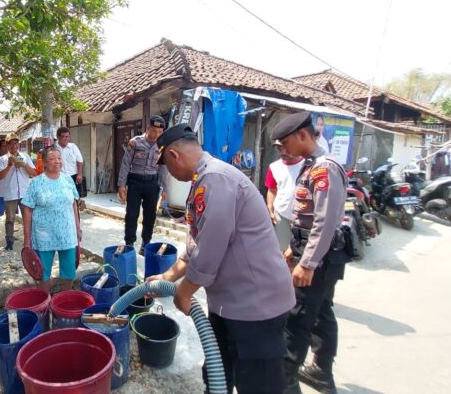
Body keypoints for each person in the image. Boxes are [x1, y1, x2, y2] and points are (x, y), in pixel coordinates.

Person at [147, 124, 295, 394]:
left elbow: (211, 248)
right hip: (230, 302)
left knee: (260, 383)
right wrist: (168, 278)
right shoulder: (203, 181)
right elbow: (196, 245)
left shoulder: (215, 179)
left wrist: (185, 291)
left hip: (255, 304)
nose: (169, 172)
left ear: (174, 156)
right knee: (217, 372)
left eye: (166, 165)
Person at [270, 112, 349, 394]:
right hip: (316, 252)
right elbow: (308, 217)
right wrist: (295, 248)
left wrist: (308, 262)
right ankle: (321, 371)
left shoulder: (323, 168)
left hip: (319, 258)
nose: (283, 149)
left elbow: (325, 221)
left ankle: (286, 378)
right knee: (322, 312)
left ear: (303, 135)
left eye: (286, 142)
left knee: (299, 315)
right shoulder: (311, 165)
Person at [21, 147, 81, 293]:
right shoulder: (36, 182)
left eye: (59, 158)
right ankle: (46, 301)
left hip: (67, 233)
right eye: (52, 158)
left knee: (69, 269)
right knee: (43, 272)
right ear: (44, 162)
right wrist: (27, 238)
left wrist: (77, 227)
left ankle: (66, 296)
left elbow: (74, 203)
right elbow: (27, 209)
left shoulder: (67, 180)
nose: (57, 161)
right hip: (44, 235)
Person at [117, 115, 167, 255]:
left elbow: (163, 167)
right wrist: (121, 185)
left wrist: (164, 189)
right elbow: (126, 164)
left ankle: (146, 243)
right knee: (132, 214)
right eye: (153, 131)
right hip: (135, 182)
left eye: (159, 132)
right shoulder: (135, 143)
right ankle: (129, 243)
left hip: (152, 183)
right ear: (148, 128)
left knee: (150, 215)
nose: (156, 134)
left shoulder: (162, 145)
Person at [0, 133, 36, 251]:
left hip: (25, 193)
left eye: (16, 143)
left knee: (28, 218)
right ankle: (9, 240)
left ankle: (29, 241)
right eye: (11, 143)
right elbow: (0, 177)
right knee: (10, 219)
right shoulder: (1, 160)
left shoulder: (25, 156)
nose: (14, 145)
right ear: (6, 145)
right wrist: (9, 166)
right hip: (10, 193)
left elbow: (33, 173)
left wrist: (24, 165)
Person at [265, 141, 305, 254]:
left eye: (286, 148)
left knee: (300, 252)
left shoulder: (309, 165)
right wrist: (270, 209)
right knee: (280, 251)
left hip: (304, 218)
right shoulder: (274, 167)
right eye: (280, 148)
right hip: (282, 215)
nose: (283, 152)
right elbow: (272, 190)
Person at [54, 127, 86, 198]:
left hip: (73, 177)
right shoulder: (54, 148)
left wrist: (80, 174)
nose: (65, 139)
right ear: (58, 137)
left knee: (75, 197)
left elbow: (80, 161)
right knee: (60, 197)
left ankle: (75, 209)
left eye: (67, 137)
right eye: (63, 137)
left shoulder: (73, 147)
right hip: (58, 177)